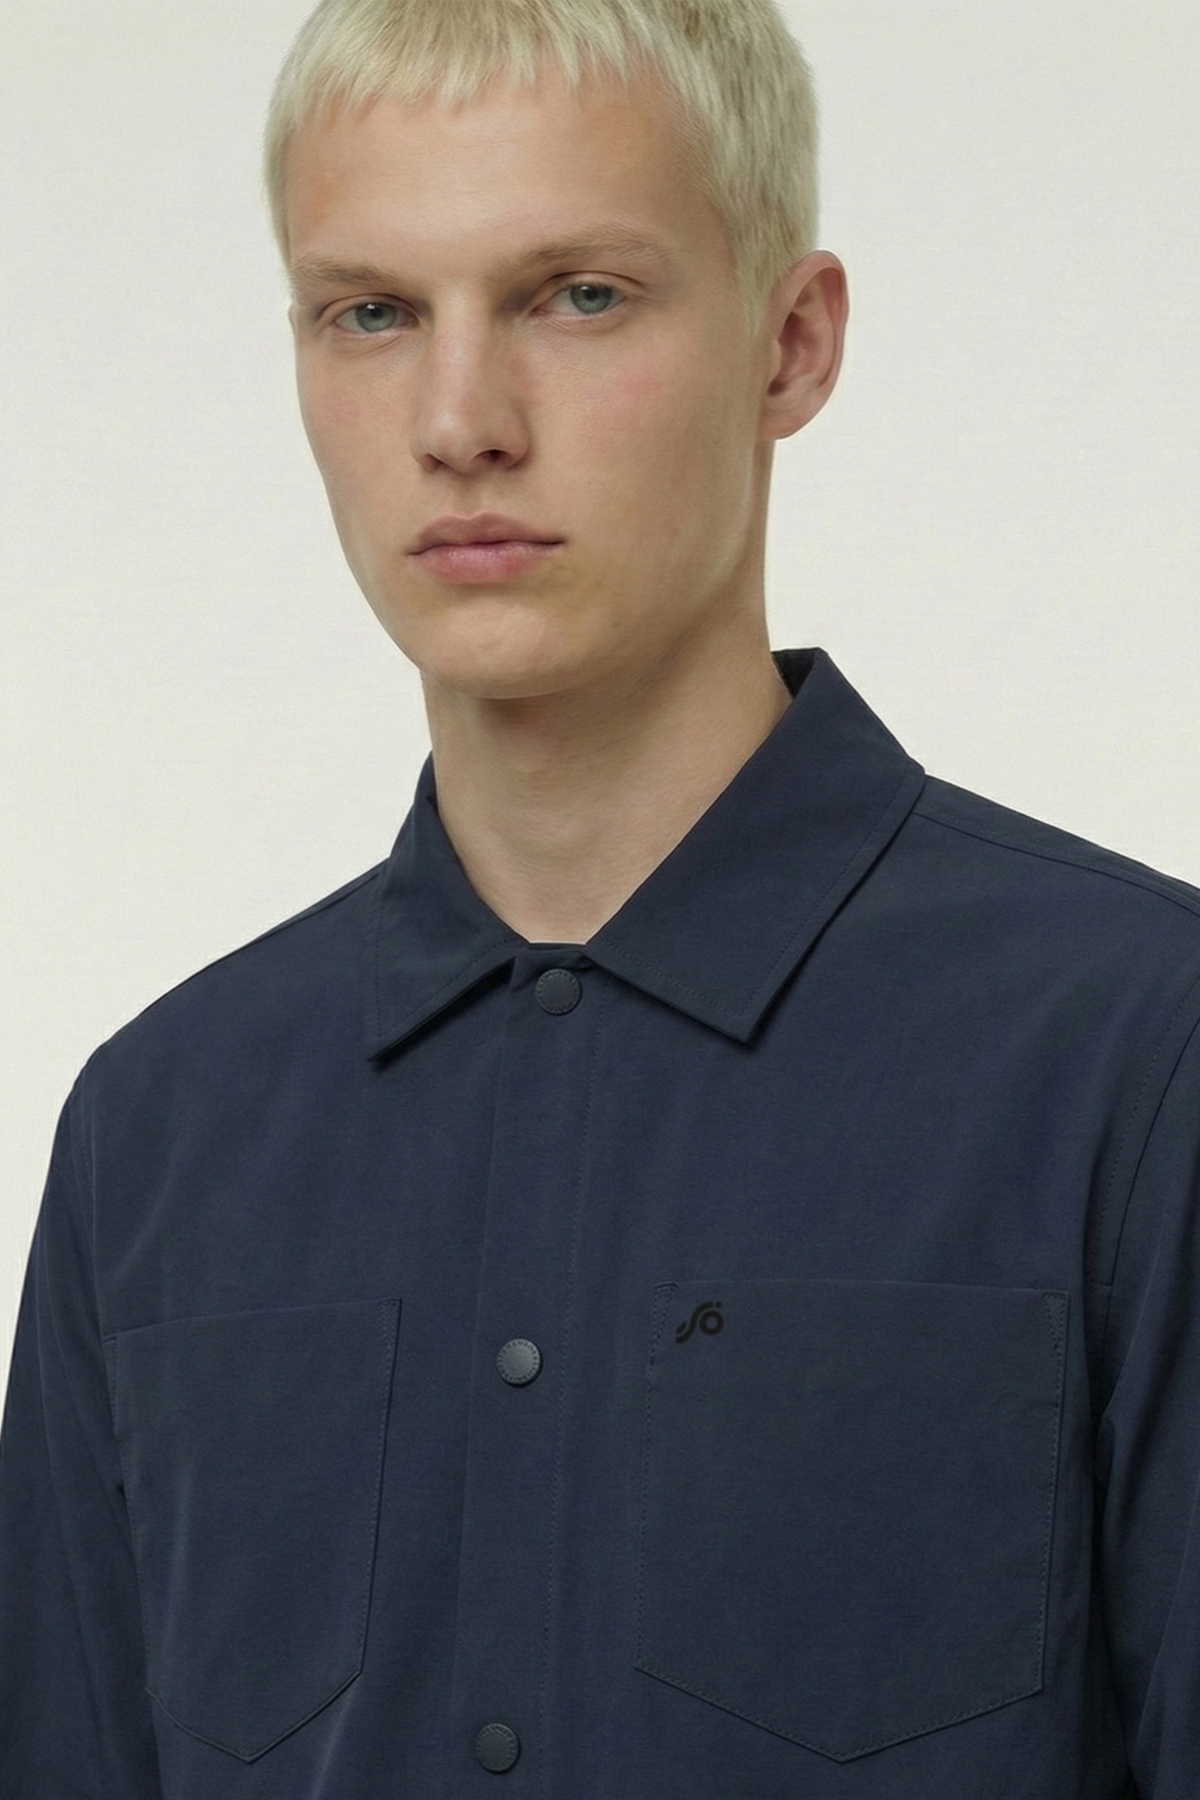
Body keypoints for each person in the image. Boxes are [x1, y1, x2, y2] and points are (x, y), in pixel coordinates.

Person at [2, 0, 1199, 1793]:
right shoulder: (156, 1134)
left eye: (578, 295)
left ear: (791, 345)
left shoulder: (1139, 1055)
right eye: (372, 313)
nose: (460, 422)